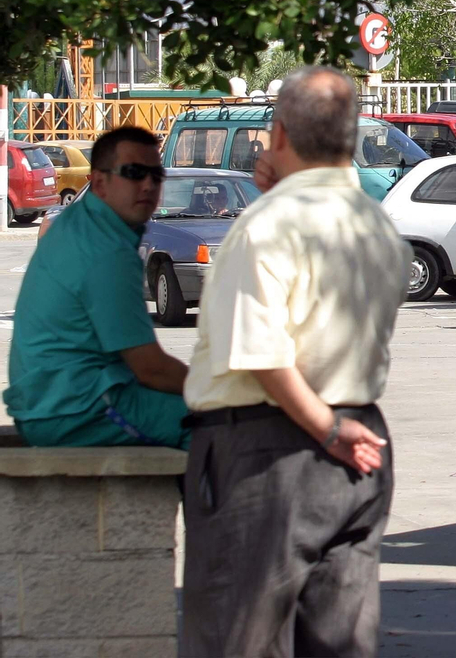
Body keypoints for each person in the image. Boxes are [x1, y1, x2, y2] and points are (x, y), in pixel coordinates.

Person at [180, 66, 409, 658]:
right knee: (339, 642)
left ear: (277, 135)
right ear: (351, 138)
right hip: (360, 445)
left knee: (241, 638)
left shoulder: (267, 227)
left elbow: (264, 356)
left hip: (268, 451)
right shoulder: (378, 227)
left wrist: (325, 428)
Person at [3, 126, 190, 447]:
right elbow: (150, 368)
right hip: (77, 410)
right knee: (225, 425)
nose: (148, 184)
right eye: (134, 173)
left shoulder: (80, 225)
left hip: (57, 402)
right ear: (100, 182)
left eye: (156, 175)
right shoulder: (104, 247)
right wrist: (218, 389)